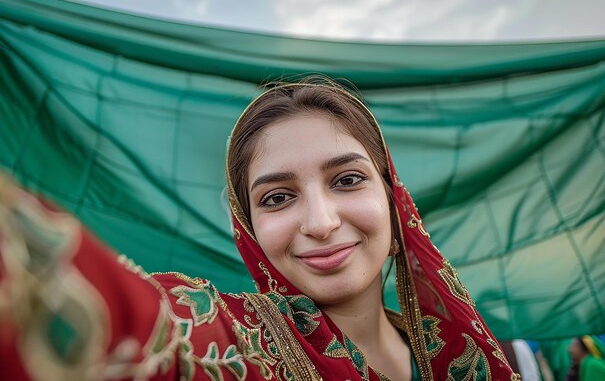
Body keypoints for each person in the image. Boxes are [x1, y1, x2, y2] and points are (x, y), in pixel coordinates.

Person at [0, 78, 518, 380]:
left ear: (391, 195)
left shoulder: (460, 347)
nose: (320, 222)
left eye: (348, 180)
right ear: (248, 228)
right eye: (277, 197)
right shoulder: (234, 343)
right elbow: (120, 321)